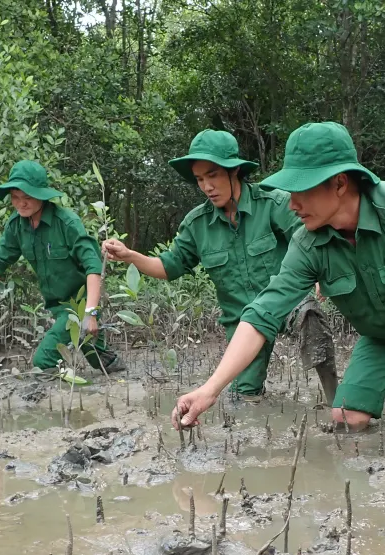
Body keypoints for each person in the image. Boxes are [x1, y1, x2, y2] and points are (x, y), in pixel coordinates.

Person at [173, 121, 385, 432]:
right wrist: (210, 389)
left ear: (340, 184)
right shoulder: (307, 243)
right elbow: (263, 314)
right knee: (345, 419)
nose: (291, 204)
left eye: (301, 190)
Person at [102, 130, 336, 400]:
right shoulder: (196, 224)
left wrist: (320, 272)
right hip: (243, 321)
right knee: (242, 398)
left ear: (234, 170)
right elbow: (168, 267)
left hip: (285, 303)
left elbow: (309, 233)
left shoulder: (272, 203)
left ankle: (336, 401)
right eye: (200, 179)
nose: (206, 186)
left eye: (212, 175)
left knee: (310, 316)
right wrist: (130, 255)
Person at [0, 160, 123, 373]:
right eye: (15, 197)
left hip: (81, 303)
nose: (21, 204)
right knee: (98, 356)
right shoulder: (16, 226)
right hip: (56, 304)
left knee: (43, 361)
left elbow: (93, 266)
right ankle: (117, 371)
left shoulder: (67, 223)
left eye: (28, 197)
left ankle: (64, 402)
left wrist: (90, 313)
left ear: (41, 195)